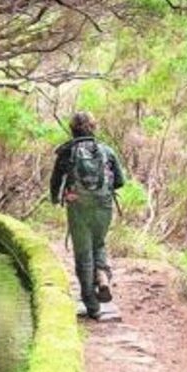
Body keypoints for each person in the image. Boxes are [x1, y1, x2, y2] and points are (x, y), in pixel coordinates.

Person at [49, 112, 126, 320]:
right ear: (93, 127)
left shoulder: (67, 151)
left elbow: (55, 181)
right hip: (103, 206)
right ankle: (102, 276)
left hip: (78, 207)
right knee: (99, 244)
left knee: (83, 254)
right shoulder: (106, 150)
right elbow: (120, 181)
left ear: (72, 129)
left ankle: (92, 306)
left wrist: (57, 198)